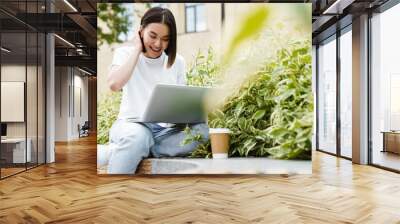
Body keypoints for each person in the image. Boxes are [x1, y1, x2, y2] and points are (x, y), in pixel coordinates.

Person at [101, 7, 209, 174]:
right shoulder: (124, 53)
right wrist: (136, 50)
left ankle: (135, 150)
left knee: (202, 132)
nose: (158, 44)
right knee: (138, 137)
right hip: (131, 125)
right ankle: (115, 188)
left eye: (165, 39)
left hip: (164, 131)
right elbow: (114, 84)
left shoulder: (177, 62)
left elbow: (181, 102)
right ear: (141, 31)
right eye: (153, 36)